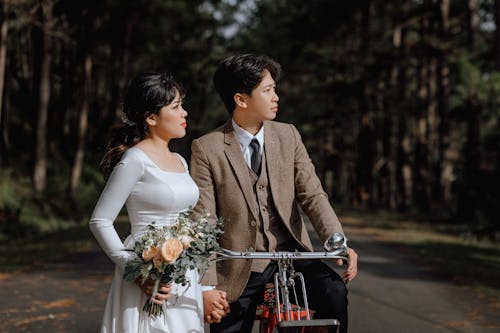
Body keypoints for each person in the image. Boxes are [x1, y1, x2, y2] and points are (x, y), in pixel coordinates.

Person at [190, 54, 358, 333]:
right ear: (241, 100)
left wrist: (336, 240)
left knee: (334, 292)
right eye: (267, 90)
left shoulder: (288, 135)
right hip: (237, 266)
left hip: (290, 258)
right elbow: (203, 221)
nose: (276, 96)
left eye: (274, 89)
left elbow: (312, 194)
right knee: (228, 324)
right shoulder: (207, 148)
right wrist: (206, 285)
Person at [89, 72, 228, 333]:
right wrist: (135, 270)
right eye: (176, 107)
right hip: (147, 270)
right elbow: (100, 221)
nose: (184, 113)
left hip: (184, 273)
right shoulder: (135, 160)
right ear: (151, 118)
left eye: (182, 105)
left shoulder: (180, 161)